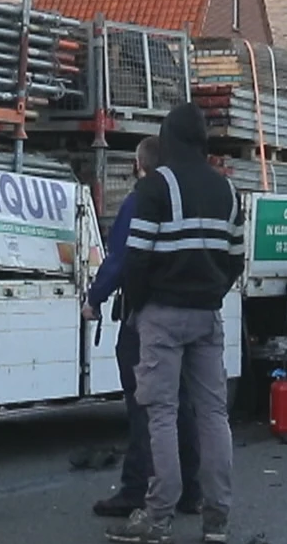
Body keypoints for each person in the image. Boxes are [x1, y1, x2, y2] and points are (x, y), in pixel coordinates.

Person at [106, 103, 243, 544]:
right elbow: (236, 259)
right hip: (207, 315)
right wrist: (212, 292)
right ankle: (216, 515)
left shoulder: (156, 188)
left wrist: (138, 307)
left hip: (161, 314)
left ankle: (158, 515)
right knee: (212, 413)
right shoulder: (227, 190)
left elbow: (137, 257)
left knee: (160, 411)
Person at [87, 137, 202, 519]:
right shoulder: (189, 200)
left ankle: (138, 489)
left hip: (147, 315)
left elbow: (121, 258)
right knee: (181, 403)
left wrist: (95, 298)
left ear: (139, 167)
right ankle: (191, 489)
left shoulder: (141, 201)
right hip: (191, 311)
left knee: (145, 405)